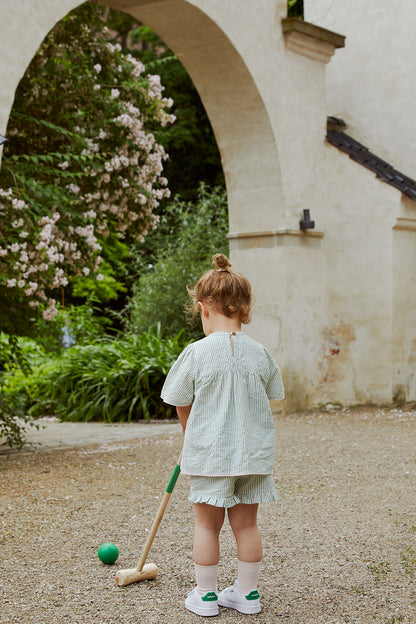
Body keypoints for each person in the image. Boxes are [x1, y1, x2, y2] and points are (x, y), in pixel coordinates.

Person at [161, 253, 284, 617]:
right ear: (245, 308)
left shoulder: (196, 353)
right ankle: (247, 595)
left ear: (202, 308)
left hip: (211, 455)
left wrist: (189, 437)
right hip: (253, 454)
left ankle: (207, 595)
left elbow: (179, 400)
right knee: (246, 524)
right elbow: (272, 395)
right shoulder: (260, 353)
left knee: (206, 525)